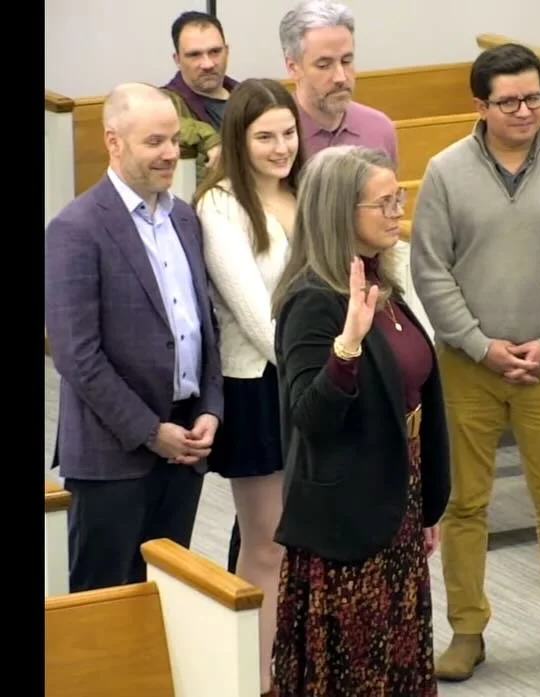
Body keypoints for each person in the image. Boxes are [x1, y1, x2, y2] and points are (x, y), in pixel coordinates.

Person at [409, 42, 540, 682]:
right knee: (464, 504)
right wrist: (481, 345)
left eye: (535, 96)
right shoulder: (446, 171)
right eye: (510, 101)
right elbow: (429, 270)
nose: (526, 109)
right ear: (480, 105)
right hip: (466, 366)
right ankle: (467, 632)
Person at [269, 145, 448, 696]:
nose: (398, 210)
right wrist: (346, 346)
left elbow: (415, 390)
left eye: (399, 197)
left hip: (399, 493)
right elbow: (310, 418)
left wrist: (424, 501)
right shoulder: (313, 301)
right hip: (347, 519)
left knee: (395, 658)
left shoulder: (379, 282)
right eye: (384, 202)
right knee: (356, 669)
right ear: (340, 212)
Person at [44, 83, 224, 593]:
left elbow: (203, 326)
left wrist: (211, 406)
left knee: (170, 599)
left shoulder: (185, 217)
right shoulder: (75, 229)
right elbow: (78, 357)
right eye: (153, 142)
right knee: (107, 606)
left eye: (173, 140)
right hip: (112, 454)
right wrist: (150, 431)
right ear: (114, 142)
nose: (170, 153)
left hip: (187, 445)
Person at [193, 77, 304, 696]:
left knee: (307, 540)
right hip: (261, 386)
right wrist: (328, 362)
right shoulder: (221, 204)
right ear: (239, 138)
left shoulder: (306, 191)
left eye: (288, 133)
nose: (280, 146)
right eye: (265, 136)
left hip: (318, 381)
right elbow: (257, 316)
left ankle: (290, 666)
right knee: (267, 543)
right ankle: (255, 678)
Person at [279, 0, 398, 166]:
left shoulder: (379, 129)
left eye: (346, 61)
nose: (340, 77)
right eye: (324, 65)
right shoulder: (276, 140)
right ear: (293, 67)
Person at [162, 11, 236, 176]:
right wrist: (208, 137)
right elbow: (153, 125)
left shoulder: (248, 96)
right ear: (177, 59)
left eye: (215, 51)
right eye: (194, 55)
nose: (208, 64)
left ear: (227, 51)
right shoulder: (164, 103)